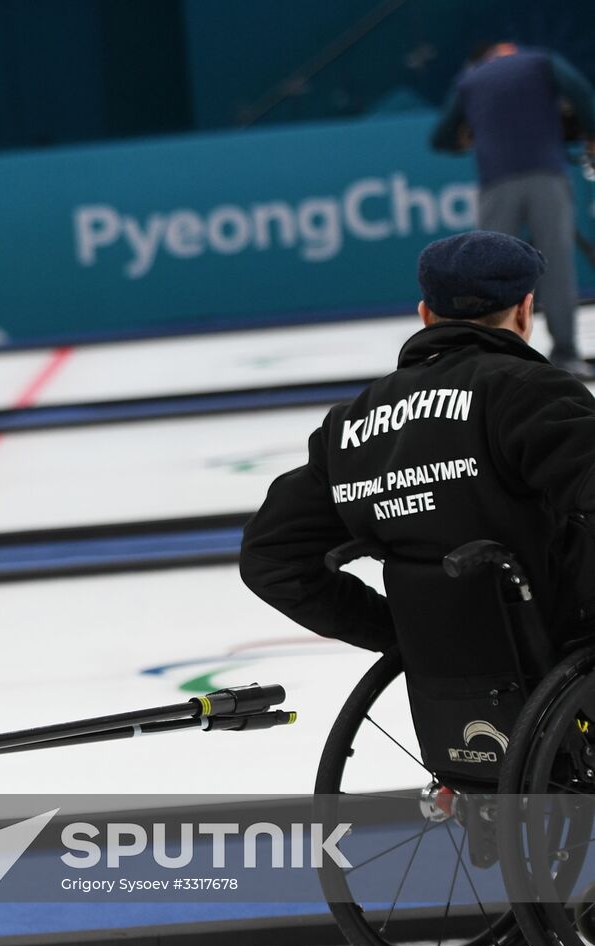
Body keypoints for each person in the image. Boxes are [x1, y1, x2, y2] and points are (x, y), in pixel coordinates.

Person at [240, 230, 595, 653]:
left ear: (426, 314)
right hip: (561, 647)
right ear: (524, 311)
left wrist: (401, 634)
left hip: (444, 678)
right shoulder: (530, 391)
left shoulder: (350, 423)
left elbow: (271, 557)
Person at [431, 42, 595, 377]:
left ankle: (496, 359)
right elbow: (582, 97)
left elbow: (442, 135)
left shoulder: (470, 79)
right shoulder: (542, 62)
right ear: (510, 50)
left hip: (497, 184)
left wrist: (464, 139)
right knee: (557, 267)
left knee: (491, 272)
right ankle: (566, 354)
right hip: (546, 176)